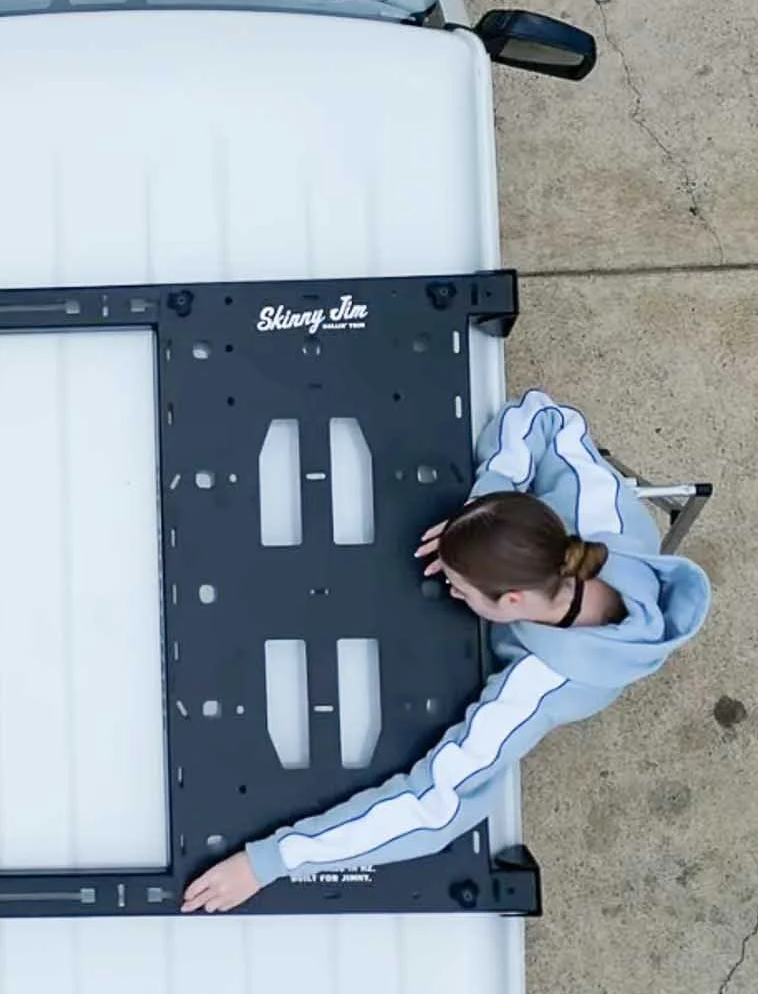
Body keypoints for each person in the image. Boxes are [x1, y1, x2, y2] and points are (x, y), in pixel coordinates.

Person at [181, 389, 710, 912]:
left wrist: (268, 862)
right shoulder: (601, 519)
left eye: (461, 586)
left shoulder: (535, 688)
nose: (450, 589)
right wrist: (484, 506)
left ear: (512, 600)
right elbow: (544, 415)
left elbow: (433, 807)